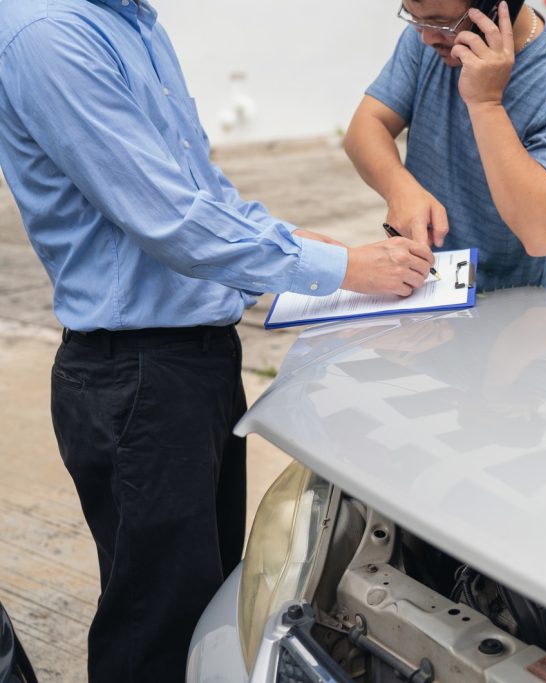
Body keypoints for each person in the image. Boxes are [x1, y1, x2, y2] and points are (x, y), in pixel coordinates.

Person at [0, 0, 433, 680]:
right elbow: (167, 216)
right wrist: (343, 269)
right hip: (140, 375)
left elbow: (200, 187)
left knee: (207, 611)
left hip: (192, 360)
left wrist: (299, 242)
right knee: (155, 633)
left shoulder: (134, 22)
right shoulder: (50, 32)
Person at [344, 0, 546, 291]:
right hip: (422, 286)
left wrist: (486, 103)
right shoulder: (426, 41)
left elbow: (543, 234)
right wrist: (400, 189)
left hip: (511, 310)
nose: (427, 37)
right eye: (415, 19)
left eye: (442, 24)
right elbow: (365, 128)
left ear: (496, 9)